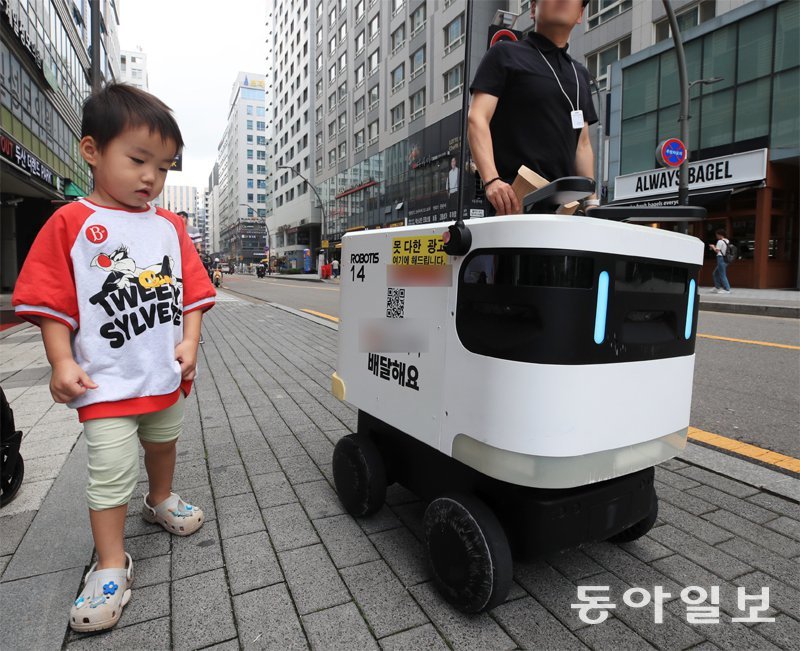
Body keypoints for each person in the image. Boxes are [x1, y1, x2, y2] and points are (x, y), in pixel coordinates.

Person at [12, 83, 215, 632]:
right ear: (92, 150)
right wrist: (60, 360)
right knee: (108, 472)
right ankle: (109, 564)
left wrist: (190, 341)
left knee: (163, 443)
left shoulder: (171, 227)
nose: (152, 178)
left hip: (163, 374)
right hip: (104, 383)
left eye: (165, 168)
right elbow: (54, 304)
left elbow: (192, 293)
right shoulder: (71, 223)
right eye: (137, 159)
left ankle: (161, 498)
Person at [468, 0, 598, 216]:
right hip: (514, 202)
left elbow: (583, 145)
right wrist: (492, 180)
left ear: (580, 14)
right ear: (533, 9)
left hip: (564, 210)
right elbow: (477, 117)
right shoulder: (504, 54)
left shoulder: (580, 74)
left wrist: (592, 202)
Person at [709, 229, 732, 294]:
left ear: (720, 235)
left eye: (717, 235)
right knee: (715, 273)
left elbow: (717, 250)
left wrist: (713, 246)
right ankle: (717, 287)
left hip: (720, 258)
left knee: (722, 274)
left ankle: (727, 289)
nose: (716, 236)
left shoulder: (720, 241)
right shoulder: (727, 241)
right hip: (725, 259)